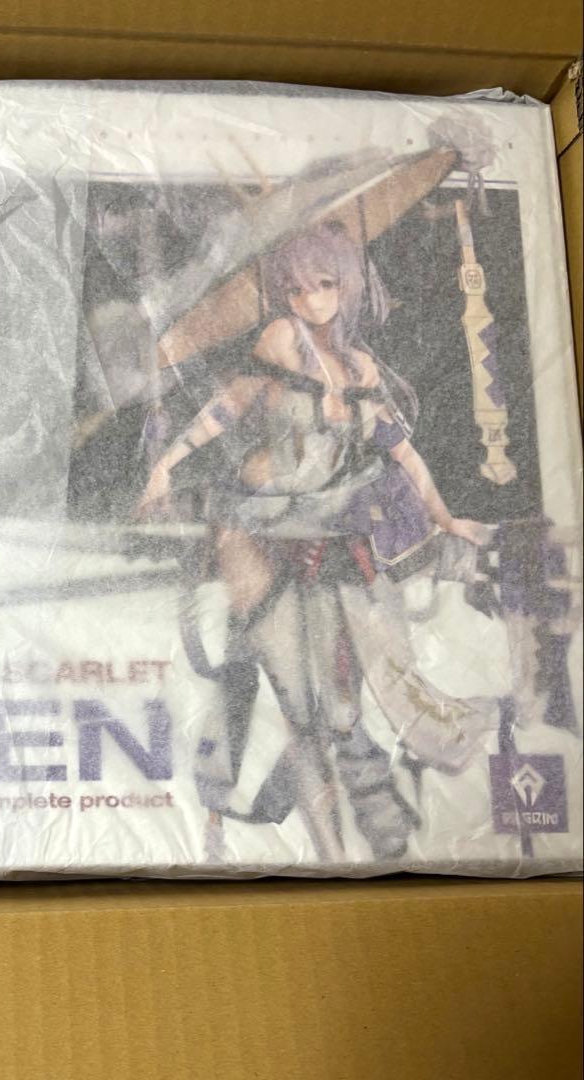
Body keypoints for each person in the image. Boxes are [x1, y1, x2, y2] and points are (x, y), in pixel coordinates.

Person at [137, 222, 498, 863]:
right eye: (297, 289)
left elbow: (402, 451)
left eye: (324, 285)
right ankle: (277, 824)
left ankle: (368, 824)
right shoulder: (281, 339)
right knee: (295, 696)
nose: (311, 300)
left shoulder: (360, 367)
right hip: (263, 528)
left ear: (347, 286)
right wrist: (167, 462)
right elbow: (228, 406)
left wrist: (445, 518)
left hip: (333, 535)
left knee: (348, 698)